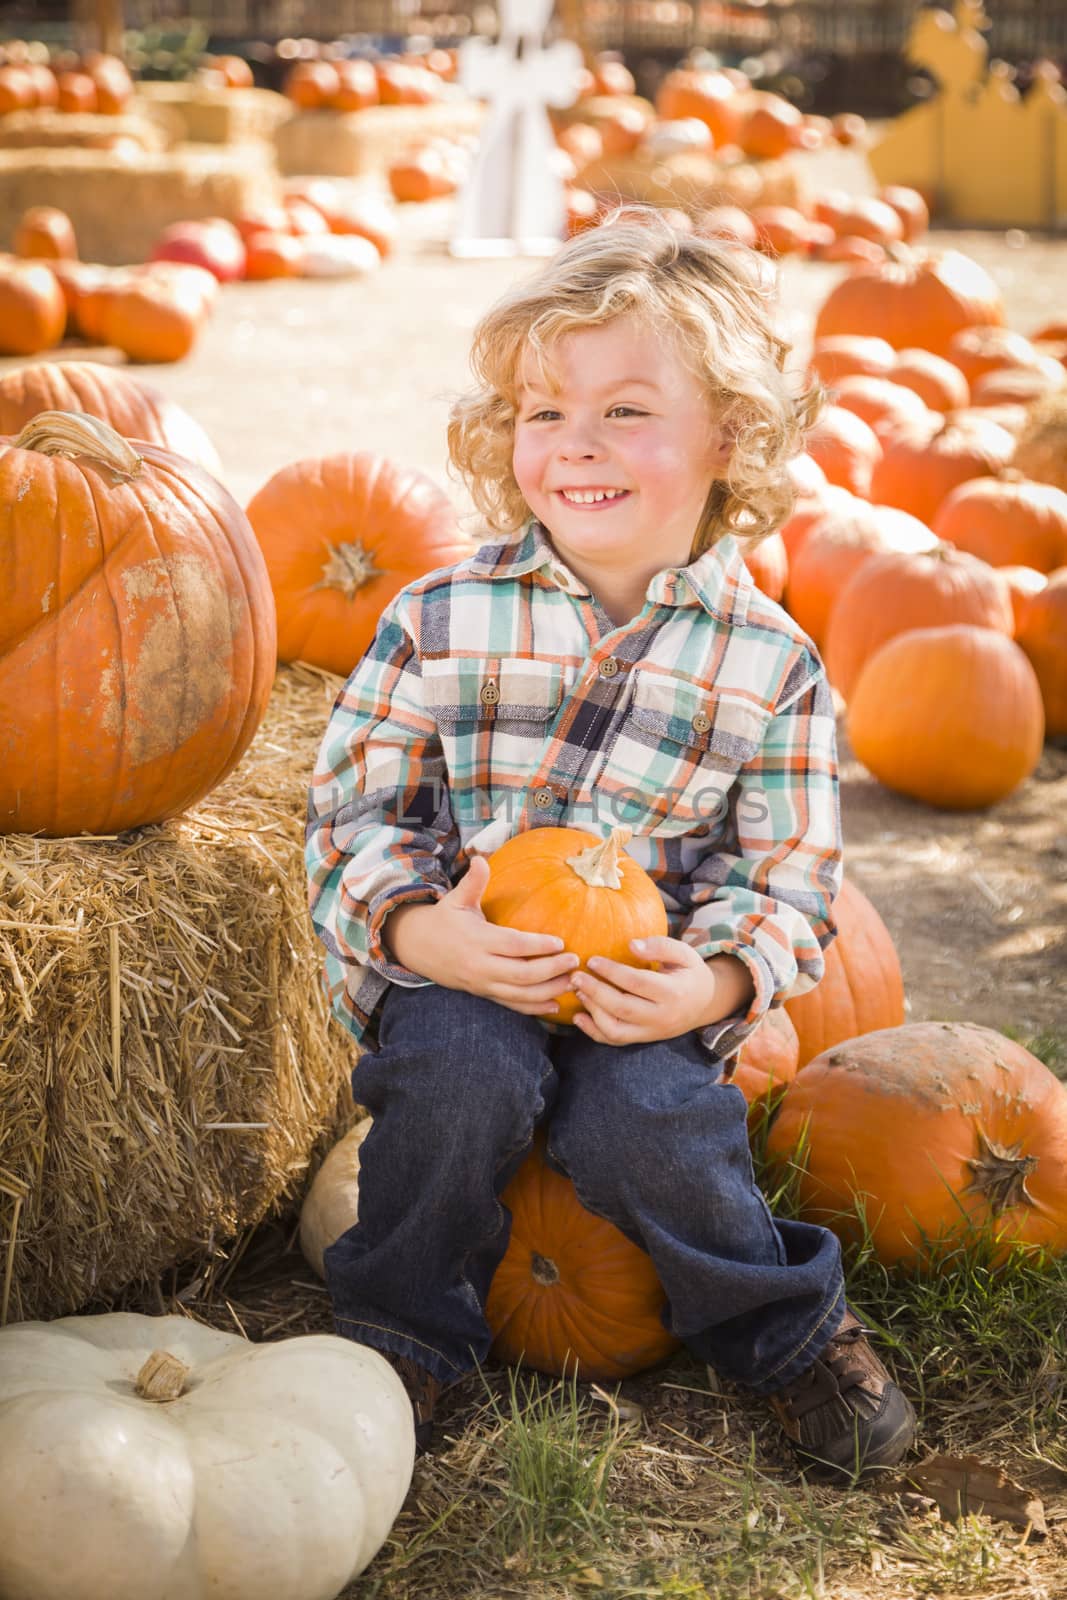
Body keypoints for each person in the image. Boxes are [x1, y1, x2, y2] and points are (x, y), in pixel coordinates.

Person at [305, 210, 917, 1478]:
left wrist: (718, 980)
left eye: (626, 411)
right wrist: (427, 933)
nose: (575, 444)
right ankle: (400, 1330)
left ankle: (783, 1329)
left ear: (729, 438)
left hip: (648, 995)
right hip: (469, 969)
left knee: (655, 1130)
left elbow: (792, 877)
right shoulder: (441, 612)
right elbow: (355, 813)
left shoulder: (771, 661)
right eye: (543, 414)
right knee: (451, 1083)